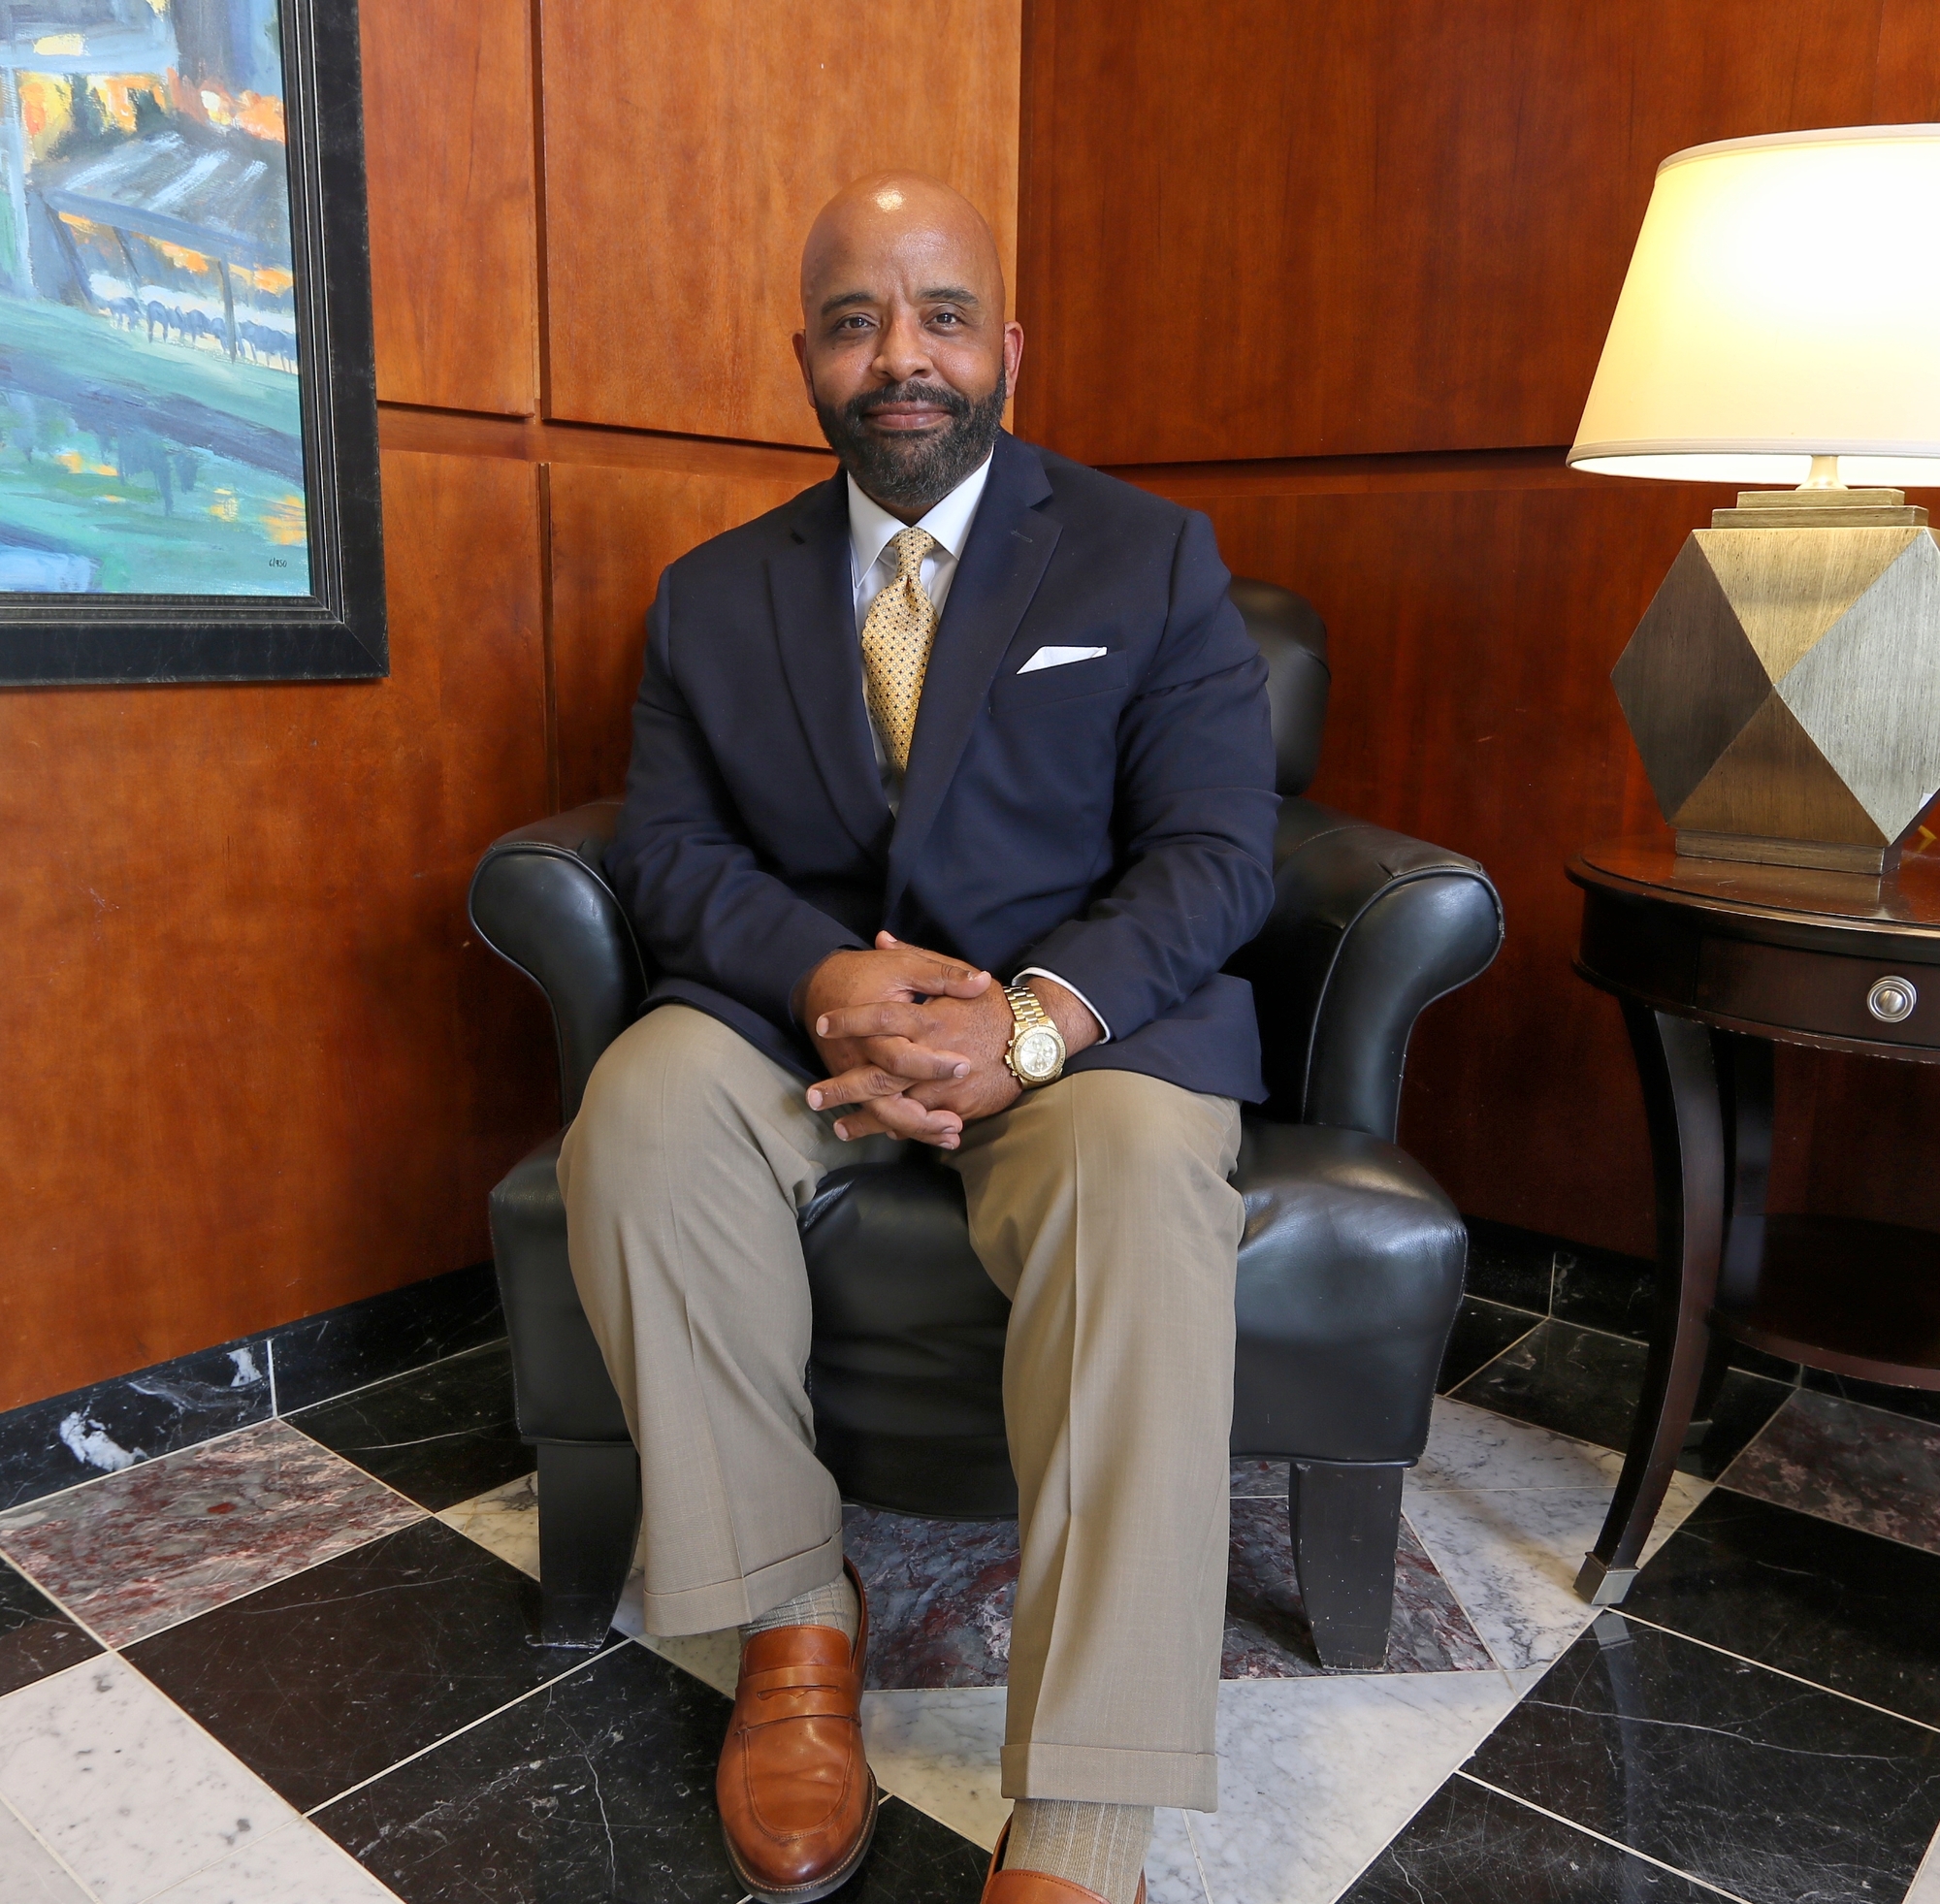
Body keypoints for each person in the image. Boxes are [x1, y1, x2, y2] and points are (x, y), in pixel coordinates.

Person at [557, 172, 1277, 1904]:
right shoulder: (709, 595)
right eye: (855, 321)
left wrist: (1028, 1020)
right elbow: (668, 850)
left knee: (1141, 1173)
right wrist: (824, 978)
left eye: (942, 316)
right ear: (803, 354)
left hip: (1073, 1035)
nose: (902, 357)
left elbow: (1216, 848)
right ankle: (795, 1618)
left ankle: (1087, 1811)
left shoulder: (1148, 554)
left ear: (1005, 346)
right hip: (797, 1024)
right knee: (639, 1111)